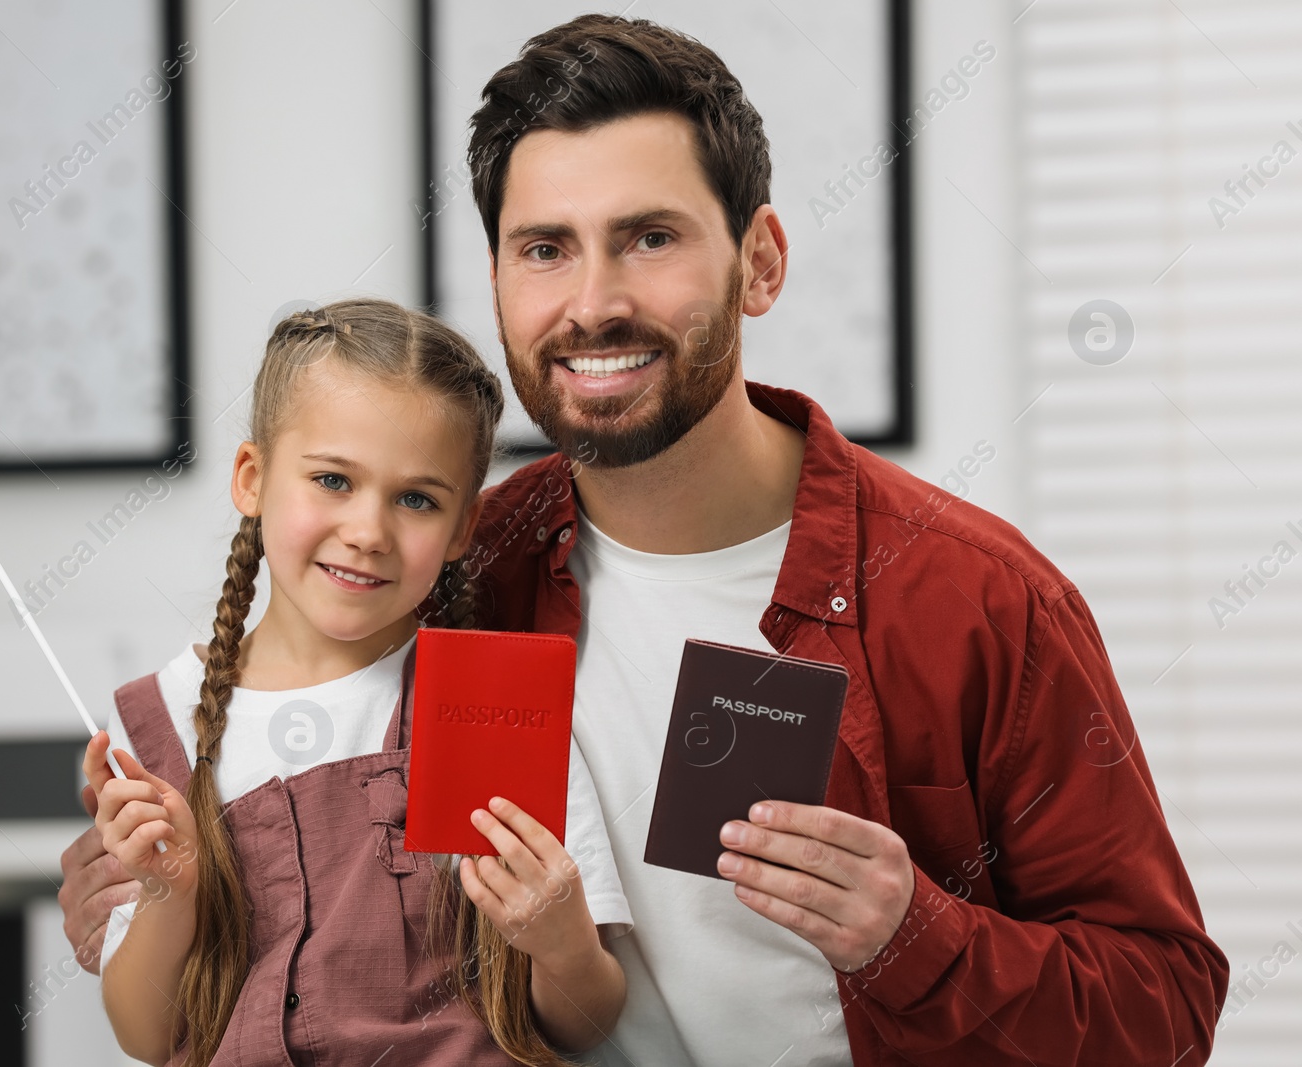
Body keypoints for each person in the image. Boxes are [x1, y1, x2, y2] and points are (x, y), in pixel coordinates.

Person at [63, 16, 1228, 1066]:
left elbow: (1168, 1005)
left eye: (650, 237)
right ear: (499, 283)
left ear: (759, 261)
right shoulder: (466, 561)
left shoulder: (973, 596)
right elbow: (291, 817)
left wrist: (912, 935)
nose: (593, 302)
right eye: (545, 248)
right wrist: (148, 888)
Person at [80, 298, 629, 1067]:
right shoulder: (160, 718)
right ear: (251, 477)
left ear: (462, 528)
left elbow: (585, 1020)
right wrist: (171, 894)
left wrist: (564, 945)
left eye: (416, 499)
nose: (369, 530)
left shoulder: (496, 706)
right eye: (333, 479)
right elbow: (147, 1035)